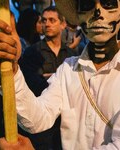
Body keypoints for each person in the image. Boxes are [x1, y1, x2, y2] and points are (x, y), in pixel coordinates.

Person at [0, 0, 120, 149]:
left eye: (108, 3)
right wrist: (11, 69)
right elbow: (38, 118)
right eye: (87, 4)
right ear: (78, 16)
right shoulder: (68, 68)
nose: (97, 12)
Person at [18, 6, 77, 150]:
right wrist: (60, 79)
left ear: (63, 24)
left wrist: (51, 76)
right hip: (41, 127)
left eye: (52, 20)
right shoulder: (33, 52)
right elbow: (33, 83)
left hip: (65, 125)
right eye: (44, 20)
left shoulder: (71, 54)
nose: (47, 24)